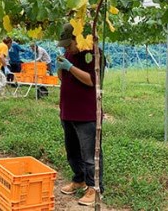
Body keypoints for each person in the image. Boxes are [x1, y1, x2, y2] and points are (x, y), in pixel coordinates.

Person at [56, 23, 104, 206]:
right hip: (68, 111)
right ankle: (79, 180)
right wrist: (60, 67)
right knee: (73, 151)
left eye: (69, 44)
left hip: (86, 113)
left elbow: (92, 81)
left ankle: (94, 187)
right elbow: (62, 78)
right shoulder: (70, 53)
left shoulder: (94, 54)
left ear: (79, 38)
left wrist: (70, 67)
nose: (67, 48)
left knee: (90, 154)